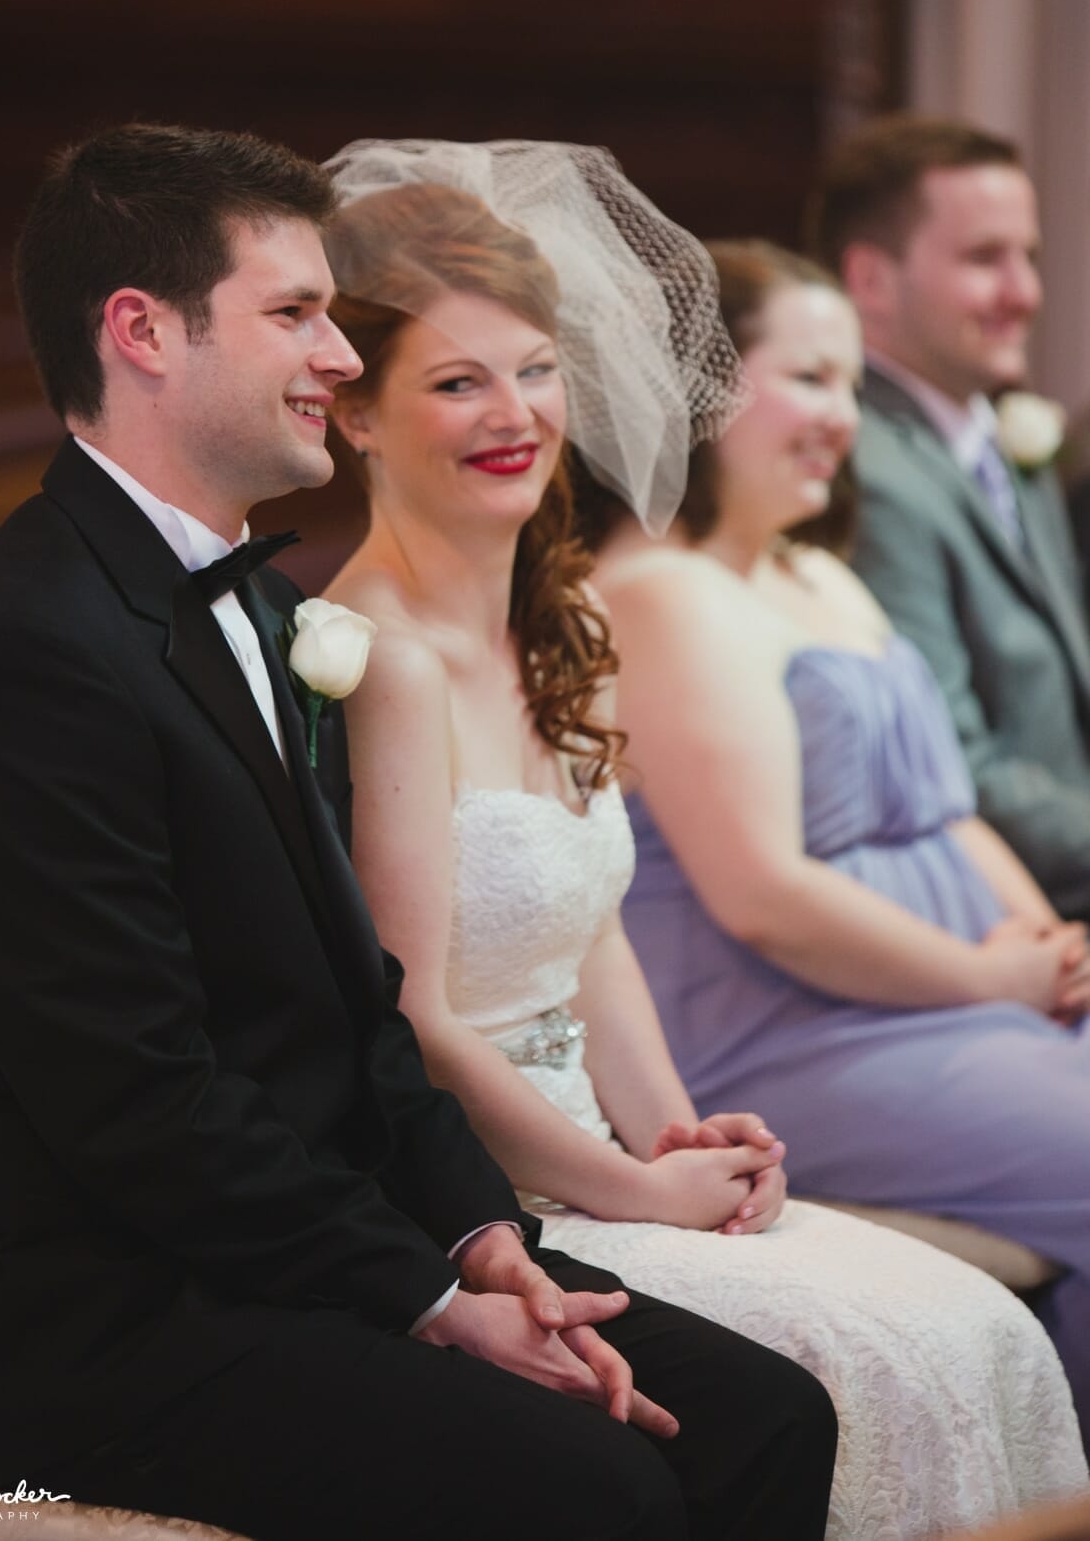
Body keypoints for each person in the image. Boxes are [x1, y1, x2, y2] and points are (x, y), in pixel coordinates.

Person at [0, 123, 839, 1541]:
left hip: (295, 1236)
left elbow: (360, 1006)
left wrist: (481, 1239)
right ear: (143, 333)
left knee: (769, 1419)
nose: (338, 355)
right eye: (295, 315)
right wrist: (428, 1301)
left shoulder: (262, 606)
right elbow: (139, 1102)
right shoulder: (29, 651)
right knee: (605, 1492)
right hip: (94, 1313)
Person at [316, 140, 1087, 1539]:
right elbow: (411, 1016)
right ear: (356, 416)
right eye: (455, 381)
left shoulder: (562, 620)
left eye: (538, 369)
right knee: (874, 1369)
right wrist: (633, 1186)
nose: (515, 414)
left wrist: (683, 1132)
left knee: (976, 1334)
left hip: (607, 1142)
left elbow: (593, 925)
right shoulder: (373, 661)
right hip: (479, 1189)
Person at [592, 234, 1090, 1452]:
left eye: (849, 385)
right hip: (791, 1022)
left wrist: (1047, 945)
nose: (839, 418)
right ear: (703, 392)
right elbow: (763, 894)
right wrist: (992, 977)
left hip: (944, 998)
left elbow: (946, 810)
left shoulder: (819, 575)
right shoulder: (662, 592)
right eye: (807, 379)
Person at [808, 114, 1090, 919]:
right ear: (870, 279)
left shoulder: (997, 438)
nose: (1024, 293)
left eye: (1029, 258)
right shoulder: (864, 470)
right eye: (984, 259)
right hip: (985, 911)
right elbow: (952, 765)